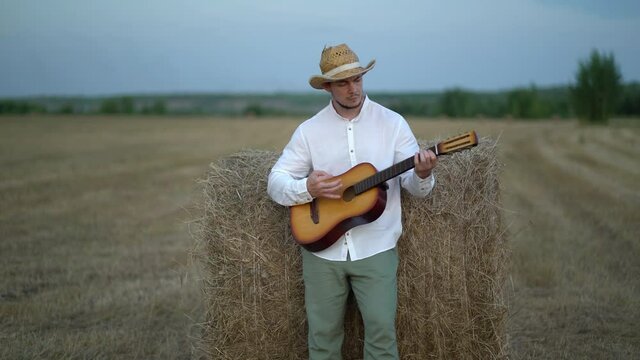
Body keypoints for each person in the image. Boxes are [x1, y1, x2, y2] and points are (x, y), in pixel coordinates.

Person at [267, 43, 438, 360]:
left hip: (376, 248)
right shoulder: (309, 132)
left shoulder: (393, 124)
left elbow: (414, 186)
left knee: (382, 340)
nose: (352, 89)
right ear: (328, 87)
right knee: (322, 340)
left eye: (357, 79)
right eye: (343, 83)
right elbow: (275, 183)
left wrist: (424, 174)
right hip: (322, 252)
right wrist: (308, 188)